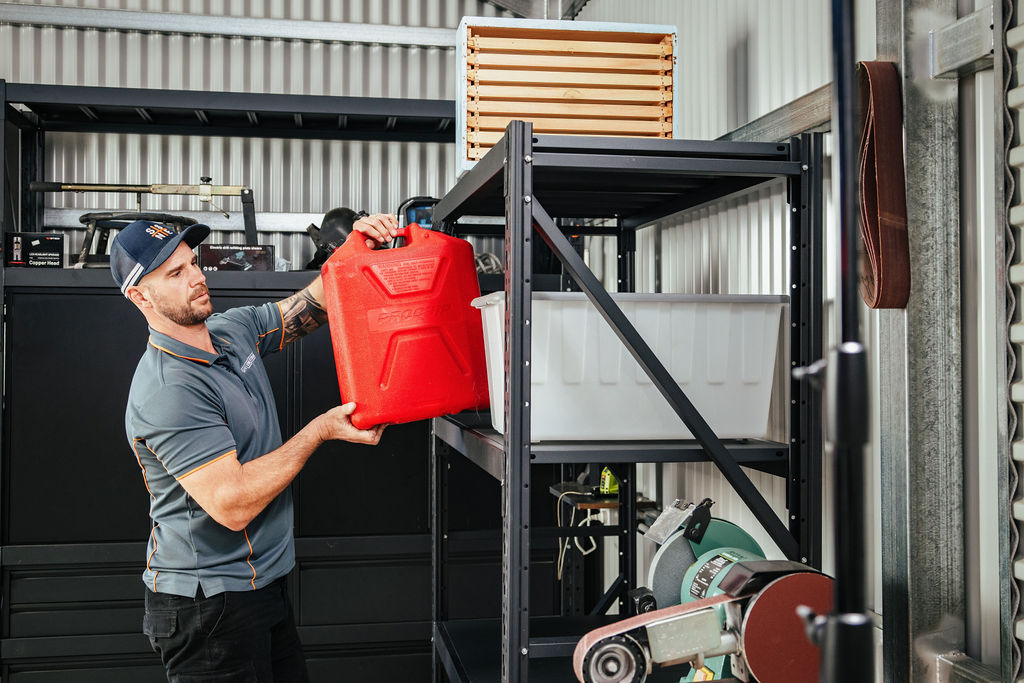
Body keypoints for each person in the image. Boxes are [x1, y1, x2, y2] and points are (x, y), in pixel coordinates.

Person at [110, 213, 399, 682]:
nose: (197, 278)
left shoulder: (230, 330)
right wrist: (319, 431)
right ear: (141, 296)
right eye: (176, 274)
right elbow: (233, 503)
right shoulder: (169, 389)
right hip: (207, 609)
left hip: (263, 584)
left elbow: (314, 302)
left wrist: (357, 248)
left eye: (193, 263)